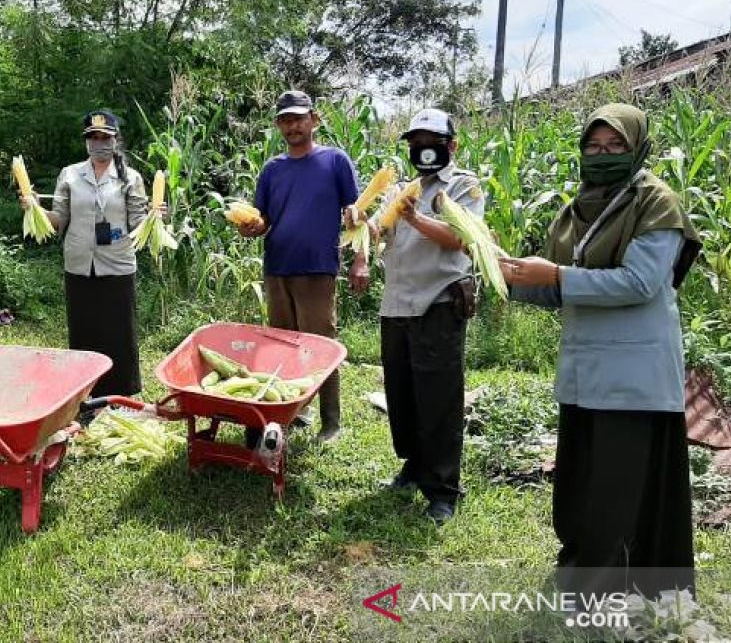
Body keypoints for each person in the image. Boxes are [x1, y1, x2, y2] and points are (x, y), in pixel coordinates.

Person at [501, 103, 700, 598]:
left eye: (616, 147)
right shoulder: (577, 210)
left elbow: (640, 282)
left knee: (616, 488)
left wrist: (556, 275)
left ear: (638, 149)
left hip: (633, 373)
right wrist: (507, 277)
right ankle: (578, 567)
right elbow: (557, 291)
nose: (603, 155)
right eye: (594, 146)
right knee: (580, 482)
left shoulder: (656, 203)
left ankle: (606, 588)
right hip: (585, 369)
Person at [368, 108, 482, 525]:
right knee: (403, 396)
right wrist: (362, 225)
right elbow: (380, 233)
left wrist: (414, 215)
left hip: (438, 301)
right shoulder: (398, 188)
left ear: (450, 146)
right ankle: (414, 466)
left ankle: (444, 489)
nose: (422, 150)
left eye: (431, 142)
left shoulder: (463, 187)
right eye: (415, 143)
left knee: (439, 399)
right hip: (397, 301)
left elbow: (460, 239)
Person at [235, 90, 364, 444]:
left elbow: (356, 216)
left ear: (314, 119)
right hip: (278, 268)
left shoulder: (335, 161)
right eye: (285, 120)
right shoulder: (272, 169)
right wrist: (252, 228)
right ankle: (295, 409)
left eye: (298, 118)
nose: (292, 126)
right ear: (278, 125)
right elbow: (264, 221)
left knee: (321, 343)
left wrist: (361, 261)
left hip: (317, 268)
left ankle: (332, 421)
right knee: (282, 344)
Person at [23, 111, 150, 398]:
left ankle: (120, 394)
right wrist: (34, 209)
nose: (99, 143)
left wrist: (156, 216)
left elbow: (138, 224)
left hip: (117, 264)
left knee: (119, 332)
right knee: (84, 330)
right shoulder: (70, 174)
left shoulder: (130, 178)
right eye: (93, 137)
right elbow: (57, 219)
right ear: (86, 142)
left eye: (105, 137)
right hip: (79, 263)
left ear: (115, 140)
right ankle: (85, 392)